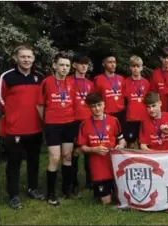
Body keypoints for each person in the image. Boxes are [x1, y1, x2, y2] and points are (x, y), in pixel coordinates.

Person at [0, 45, 45, 209]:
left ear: (33, 59)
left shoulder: (39, 77)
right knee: (14, 164)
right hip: (14, 129)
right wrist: (11, 116)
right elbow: (1, 100)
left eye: (29, 57)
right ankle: (13, 195)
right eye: (23, 57)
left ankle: (32, 188)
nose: (26, 60)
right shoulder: (7, 77)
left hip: (35, 128)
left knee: (34, 161)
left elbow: (43, 102)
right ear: (16, 58)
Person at [36, 52, 76, 205]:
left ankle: (67, 190)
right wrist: (46, 121)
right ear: (54, 65)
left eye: (67, 65)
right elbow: (39, 105)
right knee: (54, 157)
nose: (64, 68)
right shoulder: (47, 82)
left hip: (69, 123)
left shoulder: (72, 82)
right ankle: (51, 194)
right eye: (61, 65)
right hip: (53, 124)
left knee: (67, 156)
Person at [77, 93, 126, 205]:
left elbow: (122, 140)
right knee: (106, 201)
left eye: (99, 105)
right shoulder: (85, 124)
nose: (97, 108)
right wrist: (94, 150)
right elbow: (82, 147)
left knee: (122, 197)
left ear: (104, 104)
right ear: (89, 107)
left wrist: (121, 145)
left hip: (114, 165)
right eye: (93, 106)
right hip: (98, 168)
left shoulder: (113, 120)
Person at [70, 55, 95, 194]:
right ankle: (73, 182)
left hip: (88, 121)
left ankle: (90, 180)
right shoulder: (68, 81)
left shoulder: (90, 83)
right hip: (72, 121)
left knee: (88, 152)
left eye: (86, 64)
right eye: (81, 63)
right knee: (74, 152)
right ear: (74, 65)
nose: (84, 66)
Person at [94, 53, 126, 133]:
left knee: (121, 139)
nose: (113, 64)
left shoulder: (121, 79)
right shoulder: (98, 79)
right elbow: (96, 98)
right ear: (103, 64)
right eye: (110, 62)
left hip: (120, 114)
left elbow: (125, 96)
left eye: (114, 62)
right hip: (106, 114)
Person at [124, 56, 150, 148]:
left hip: (144, 118)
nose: (135, 68)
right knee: (131, 144)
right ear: (130, 67)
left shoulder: (146, 83)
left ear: (142, 67)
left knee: (143, 144)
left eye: (138, 66)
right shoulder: (125, 82)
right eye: (133, 66)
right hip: (131, 118)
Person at [150, 47, 168, 112]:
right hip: (160, 111)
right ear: (160, 58)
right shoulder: (155, 73)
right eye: (164, 58)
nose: (166, 60)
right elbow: (152, 93)